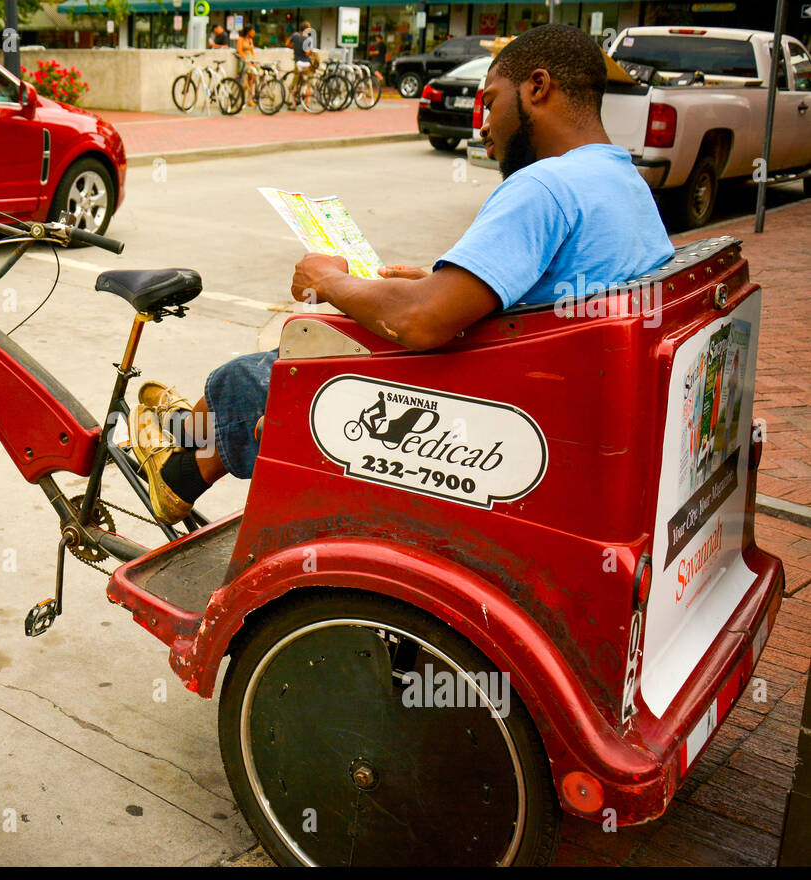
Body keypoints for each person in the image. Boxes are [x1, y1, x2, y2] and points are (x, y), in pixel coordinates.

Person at [129, 24, 676, 524]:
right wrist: (441, 283)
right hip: (559, 401)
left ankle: (175, 473)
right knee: (280, 362)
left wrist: (328, 281)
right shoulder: (622, 180)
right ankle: (182, 438)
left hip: (492, 415)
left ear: (537, 87)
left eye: (491, 103)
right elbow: (532, 295)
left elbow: (419, 321)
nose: (483, 125)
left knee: (272, 370)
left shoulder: (543, 187)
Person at [236, 25, 257, 102]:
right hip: (244, 60)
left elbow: (252, 51)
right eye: (252, 31)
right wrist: (247, 61)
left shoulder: (250, 40)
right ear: (248, 31)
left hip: (251, 59)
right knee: (250, 76)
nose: (254, 33)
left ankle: (247, 94)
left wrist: (254, 61)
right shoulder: (240, 39)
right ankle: (246, 95)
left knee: (254, 78)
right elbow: (240, 51)